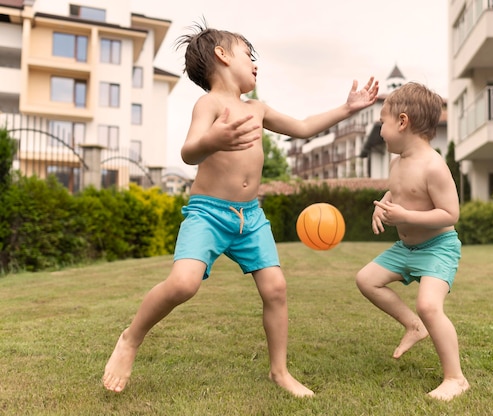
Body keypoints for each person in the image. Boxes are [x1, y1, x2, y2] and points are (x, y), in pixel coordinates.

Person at [102, 22, 379, 397]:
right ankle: (131, 338)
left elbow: (301, 127)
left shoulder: (258, 108)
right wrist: (214, 138)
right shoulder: (209, 104)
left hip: (250, 217)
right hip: (208, 214)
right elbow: (189, 151)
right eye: (249, 55)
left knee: (276, 289)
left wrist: (347, 109)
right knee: (183, 284)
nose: (255, 64)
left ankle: (279, 371)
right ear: (222, 55)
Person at [355, 82, 469, 401]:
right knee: (366, 280)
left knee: (429, 305)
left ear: (402, 122)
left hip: (437, 249)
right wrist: (385, 204)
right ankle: (413, 326)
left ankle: (455, 378)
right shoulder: (396, 163)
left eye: (383, 122)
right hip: (406, 249)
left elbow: (450, 213)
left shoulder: (434, 166)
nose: (380, 132)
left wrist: (404, 216)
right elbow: (399, 191)